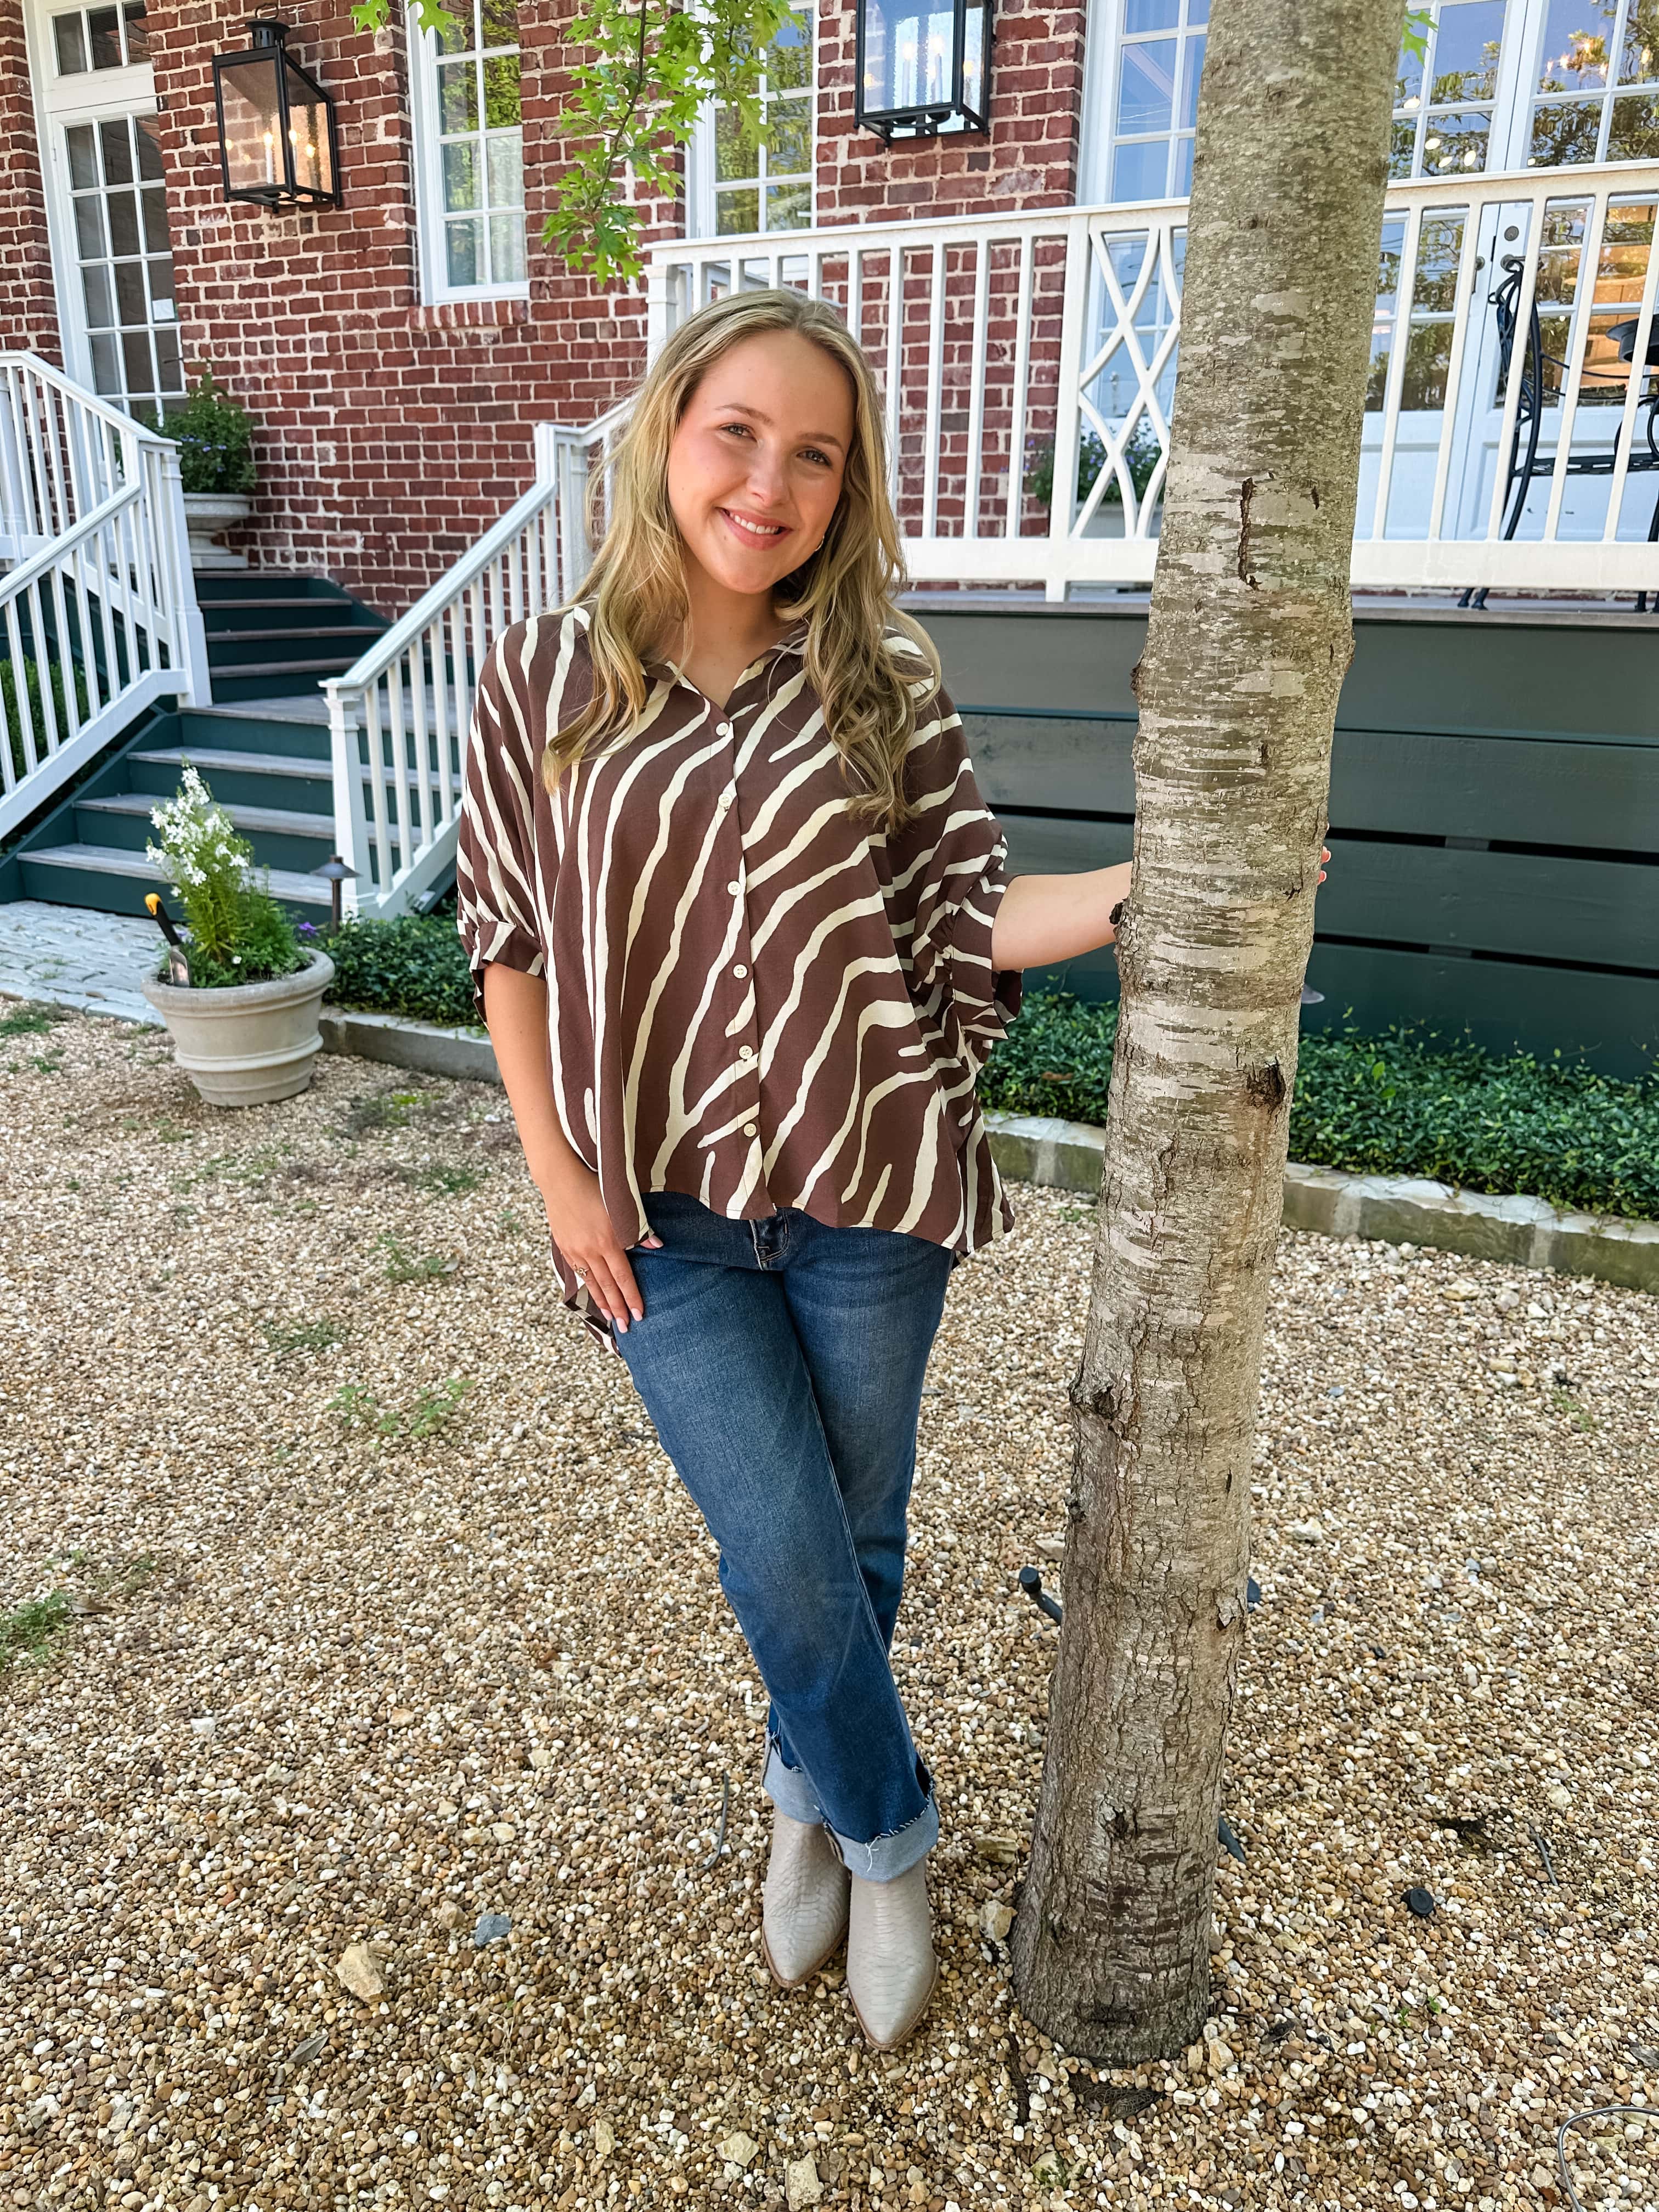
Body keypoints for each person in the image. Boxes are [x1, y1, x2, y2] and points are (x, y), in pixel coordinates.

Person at [455, 286, 1136, 2052]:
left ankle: (801, 1799)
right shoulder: (542, 676)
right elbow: (509, 944)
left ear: (849, 489)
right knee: (781, 1551)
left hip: (866, 1192)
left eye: (815, 455)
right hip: (658, 1208)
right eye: (737, 433)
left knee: (855, 1541)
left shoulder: (878, 681)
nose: (771, 480)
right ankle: (891, 1841)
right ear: (666, 435)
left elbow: (964, 910)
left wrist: (1152, 887)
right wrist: (561, 1179)